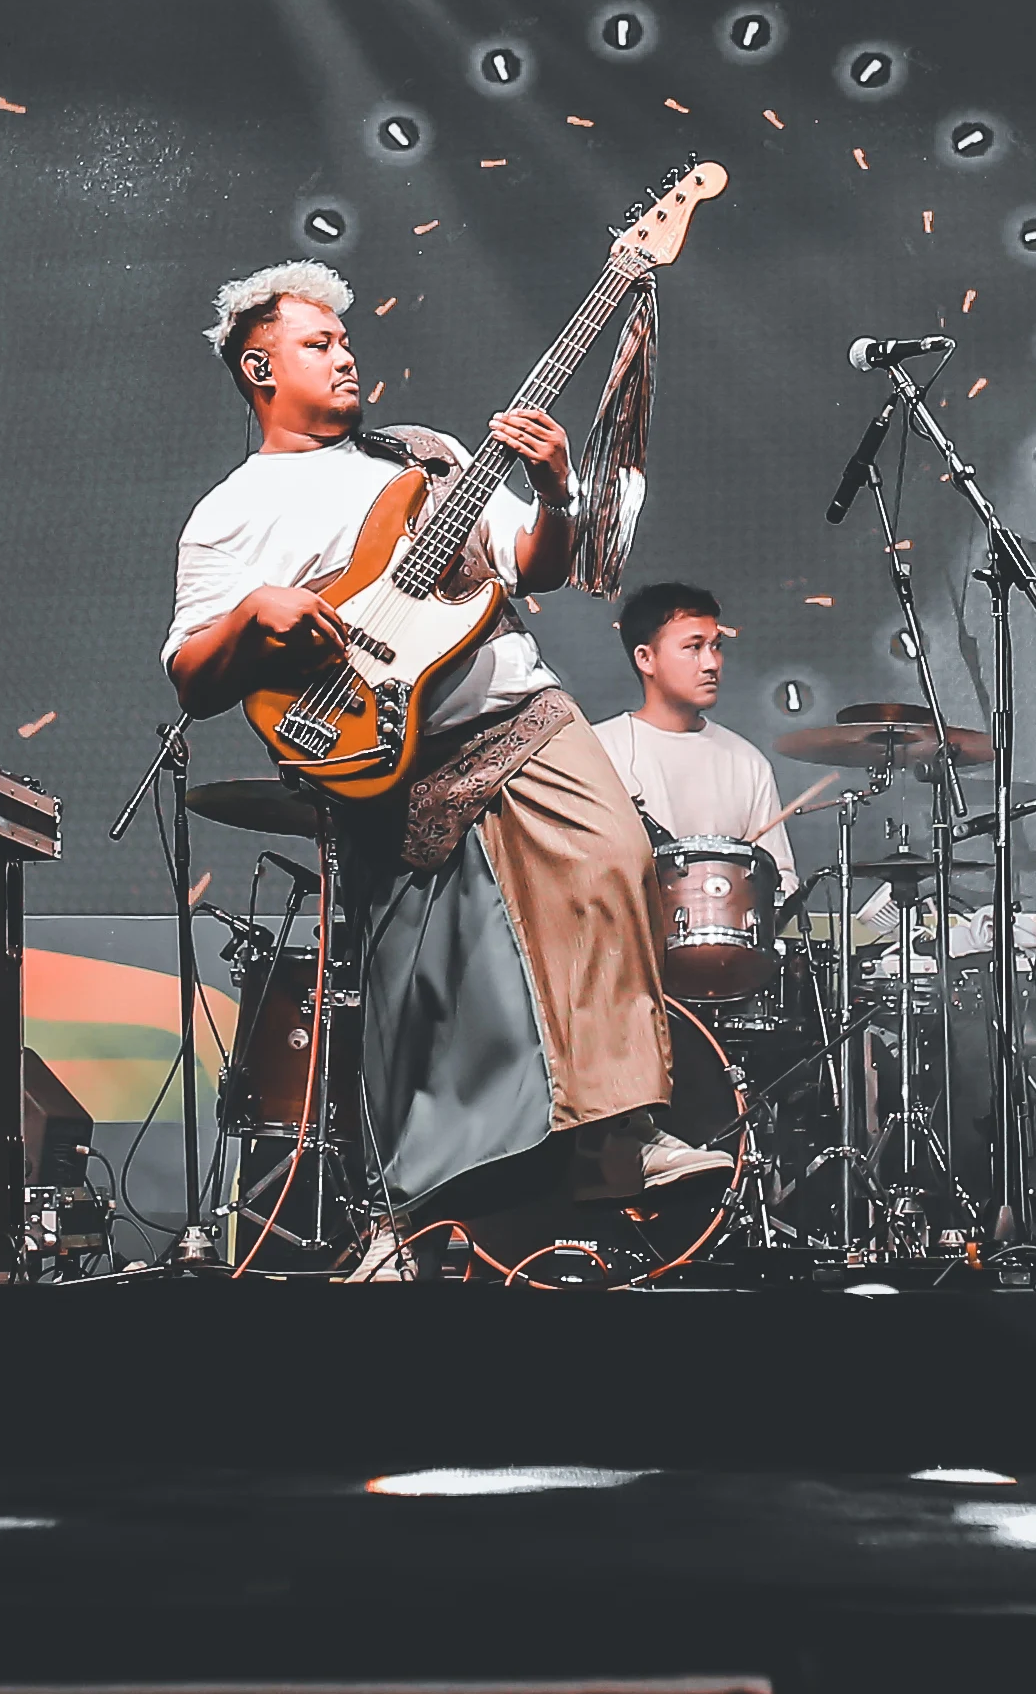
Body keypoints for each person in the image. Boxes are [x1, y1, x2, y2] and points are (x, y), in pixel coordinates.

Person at [163, 258, 719, 1239]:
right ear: (260, 368)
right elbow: (193, 677)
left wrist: (556, 492)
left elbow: (535, 565)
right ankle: (416, 1221)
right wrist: (254, 615)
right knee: (430, 996)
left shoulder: (423, 458)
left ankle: (620, 1140)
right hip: (389, 761)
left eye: (345, 339)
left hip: (520, 714)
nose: (346, 356)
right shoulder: (231, 512)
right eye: (318, 343)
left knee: (617, 864)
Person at [589, 579, 803, 903]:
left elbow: (780, 878)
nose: (712, 663)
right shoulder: (598, 752)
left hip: (726, 936)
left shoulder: (747, 762)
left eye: (716, 646)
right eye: (693, 647)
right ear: (646, 658)